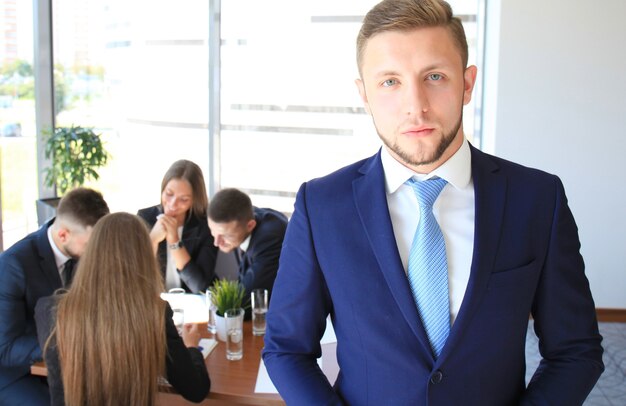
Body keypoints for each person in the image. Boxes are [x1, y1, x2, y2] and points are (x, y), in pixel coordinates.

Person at [262, 0, 604, 404]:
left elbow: (575, 350)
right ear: (364, 94)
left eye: (435, 76)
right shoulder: (321, 207)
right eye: (390, 81)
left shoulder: (537, 200)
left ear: (467, 83)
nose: (416, 105)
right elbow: (286, 349)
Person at [35, 212, 210, 405]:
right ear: (143, 258)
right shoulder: (154, 313)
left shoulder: (50, 310)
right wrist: (192, 347)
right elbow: (196, 389)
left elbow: (60, 392)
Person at [0, 188, 109, 405]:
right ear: (63, 235)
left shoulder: (84, 252)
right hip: (19, 374)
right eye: (90, 245)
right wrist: (69, 343)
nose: (97, 252)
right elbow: (6, 348)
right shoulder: (14, 265)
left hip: (70, 368)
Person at [138, 159, 218, 293]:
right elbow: (137, 277)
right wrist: (152, 240)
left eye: (184, 199)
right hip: (153, 302)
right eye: (169, 194)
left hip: (191, 304)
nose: (173, 204)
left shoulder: (205, 226)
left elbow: (199, 286)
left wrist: (174, 241)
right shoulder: (144, 218)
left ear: (194, 200)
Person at [207, 188, 288, 300]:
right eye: (212, 230)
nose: (216, 242)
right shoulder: (241, 220)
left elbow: (246, 299)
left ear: (250, 225)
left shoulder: (269, 239)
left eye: (225, 235)